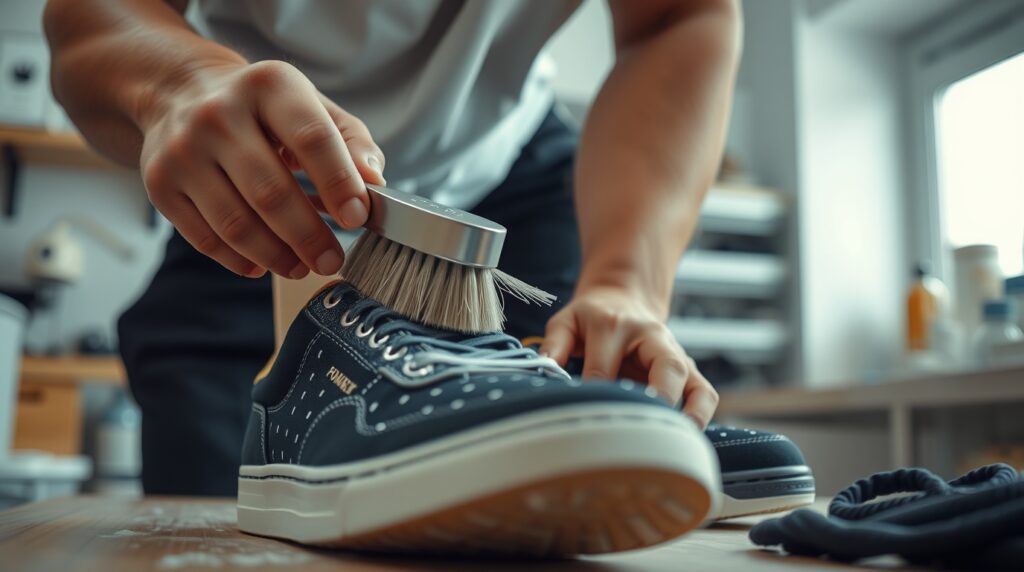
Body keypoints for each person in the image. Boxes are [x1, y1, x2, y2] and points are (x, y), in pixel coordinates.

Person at [45, 0, 741, 496]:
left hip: (512, 170)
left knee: (557, 474)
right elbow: (86, 18)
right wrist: (176, 81)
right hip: (253, 183)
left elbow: (678, 17)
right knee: (208, 499)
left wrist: (624, 279)